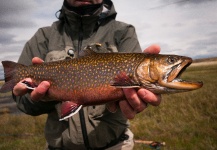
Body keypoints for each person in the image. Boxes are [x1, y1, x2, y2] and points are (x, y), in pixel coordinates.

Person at [12, 0, 161, 149]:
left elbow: (138, 91)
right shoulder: (43, 36)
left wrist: (138, 96)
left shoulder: (123, 32)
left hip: (116, 145)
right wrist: (44, 97)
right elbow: (23, 103)